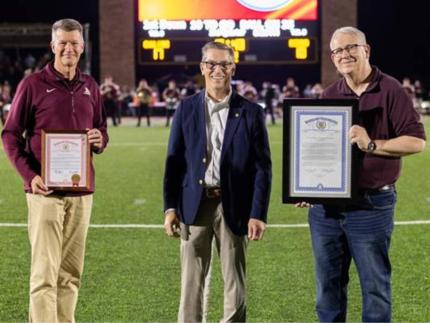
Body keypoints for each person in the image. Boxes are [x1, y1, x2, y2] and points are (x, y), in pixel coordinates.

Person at [301, 26, 426, 322]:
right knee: (327, 291)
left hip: (371, 206)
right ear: (332, 58)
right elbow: (320, 150)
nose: (344, 55)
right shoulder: (331, 94)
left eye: (350, 47)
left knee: (375, 290)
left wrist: (372, 144)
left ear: (365, 50)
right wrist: (307, 186)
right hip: (327, 210)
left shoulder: (391, 89)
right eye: (338, 51)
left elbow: (417, 141)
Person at [1, 18, 108, 322]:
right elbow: (10, 135)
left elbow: (100, 127)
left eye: (74, 43)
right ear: (52, 46)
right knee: (44, 274)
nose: (68, 48)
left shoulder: (90, 86)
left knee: (71, 274)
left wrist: (100, 139)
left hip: (80, 191)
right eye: (63, 42)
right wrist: (29, 176)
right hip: (44, 191)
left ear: (82, 47)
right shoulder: (32, 84)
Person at [163, 41, 272, 322]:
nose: (217, 69)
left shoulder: (251, 112)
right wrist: (170, 208)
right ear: (202, 67)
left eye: (224, 64)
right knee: (191, 281)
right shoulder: (185, 109)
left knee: (235, 280)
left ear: (233, 68)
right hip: (193, 203)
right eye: (211, 64)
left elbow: (262, 167)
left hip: (233, 204)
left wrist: (258, 213)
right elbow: (174, 163)